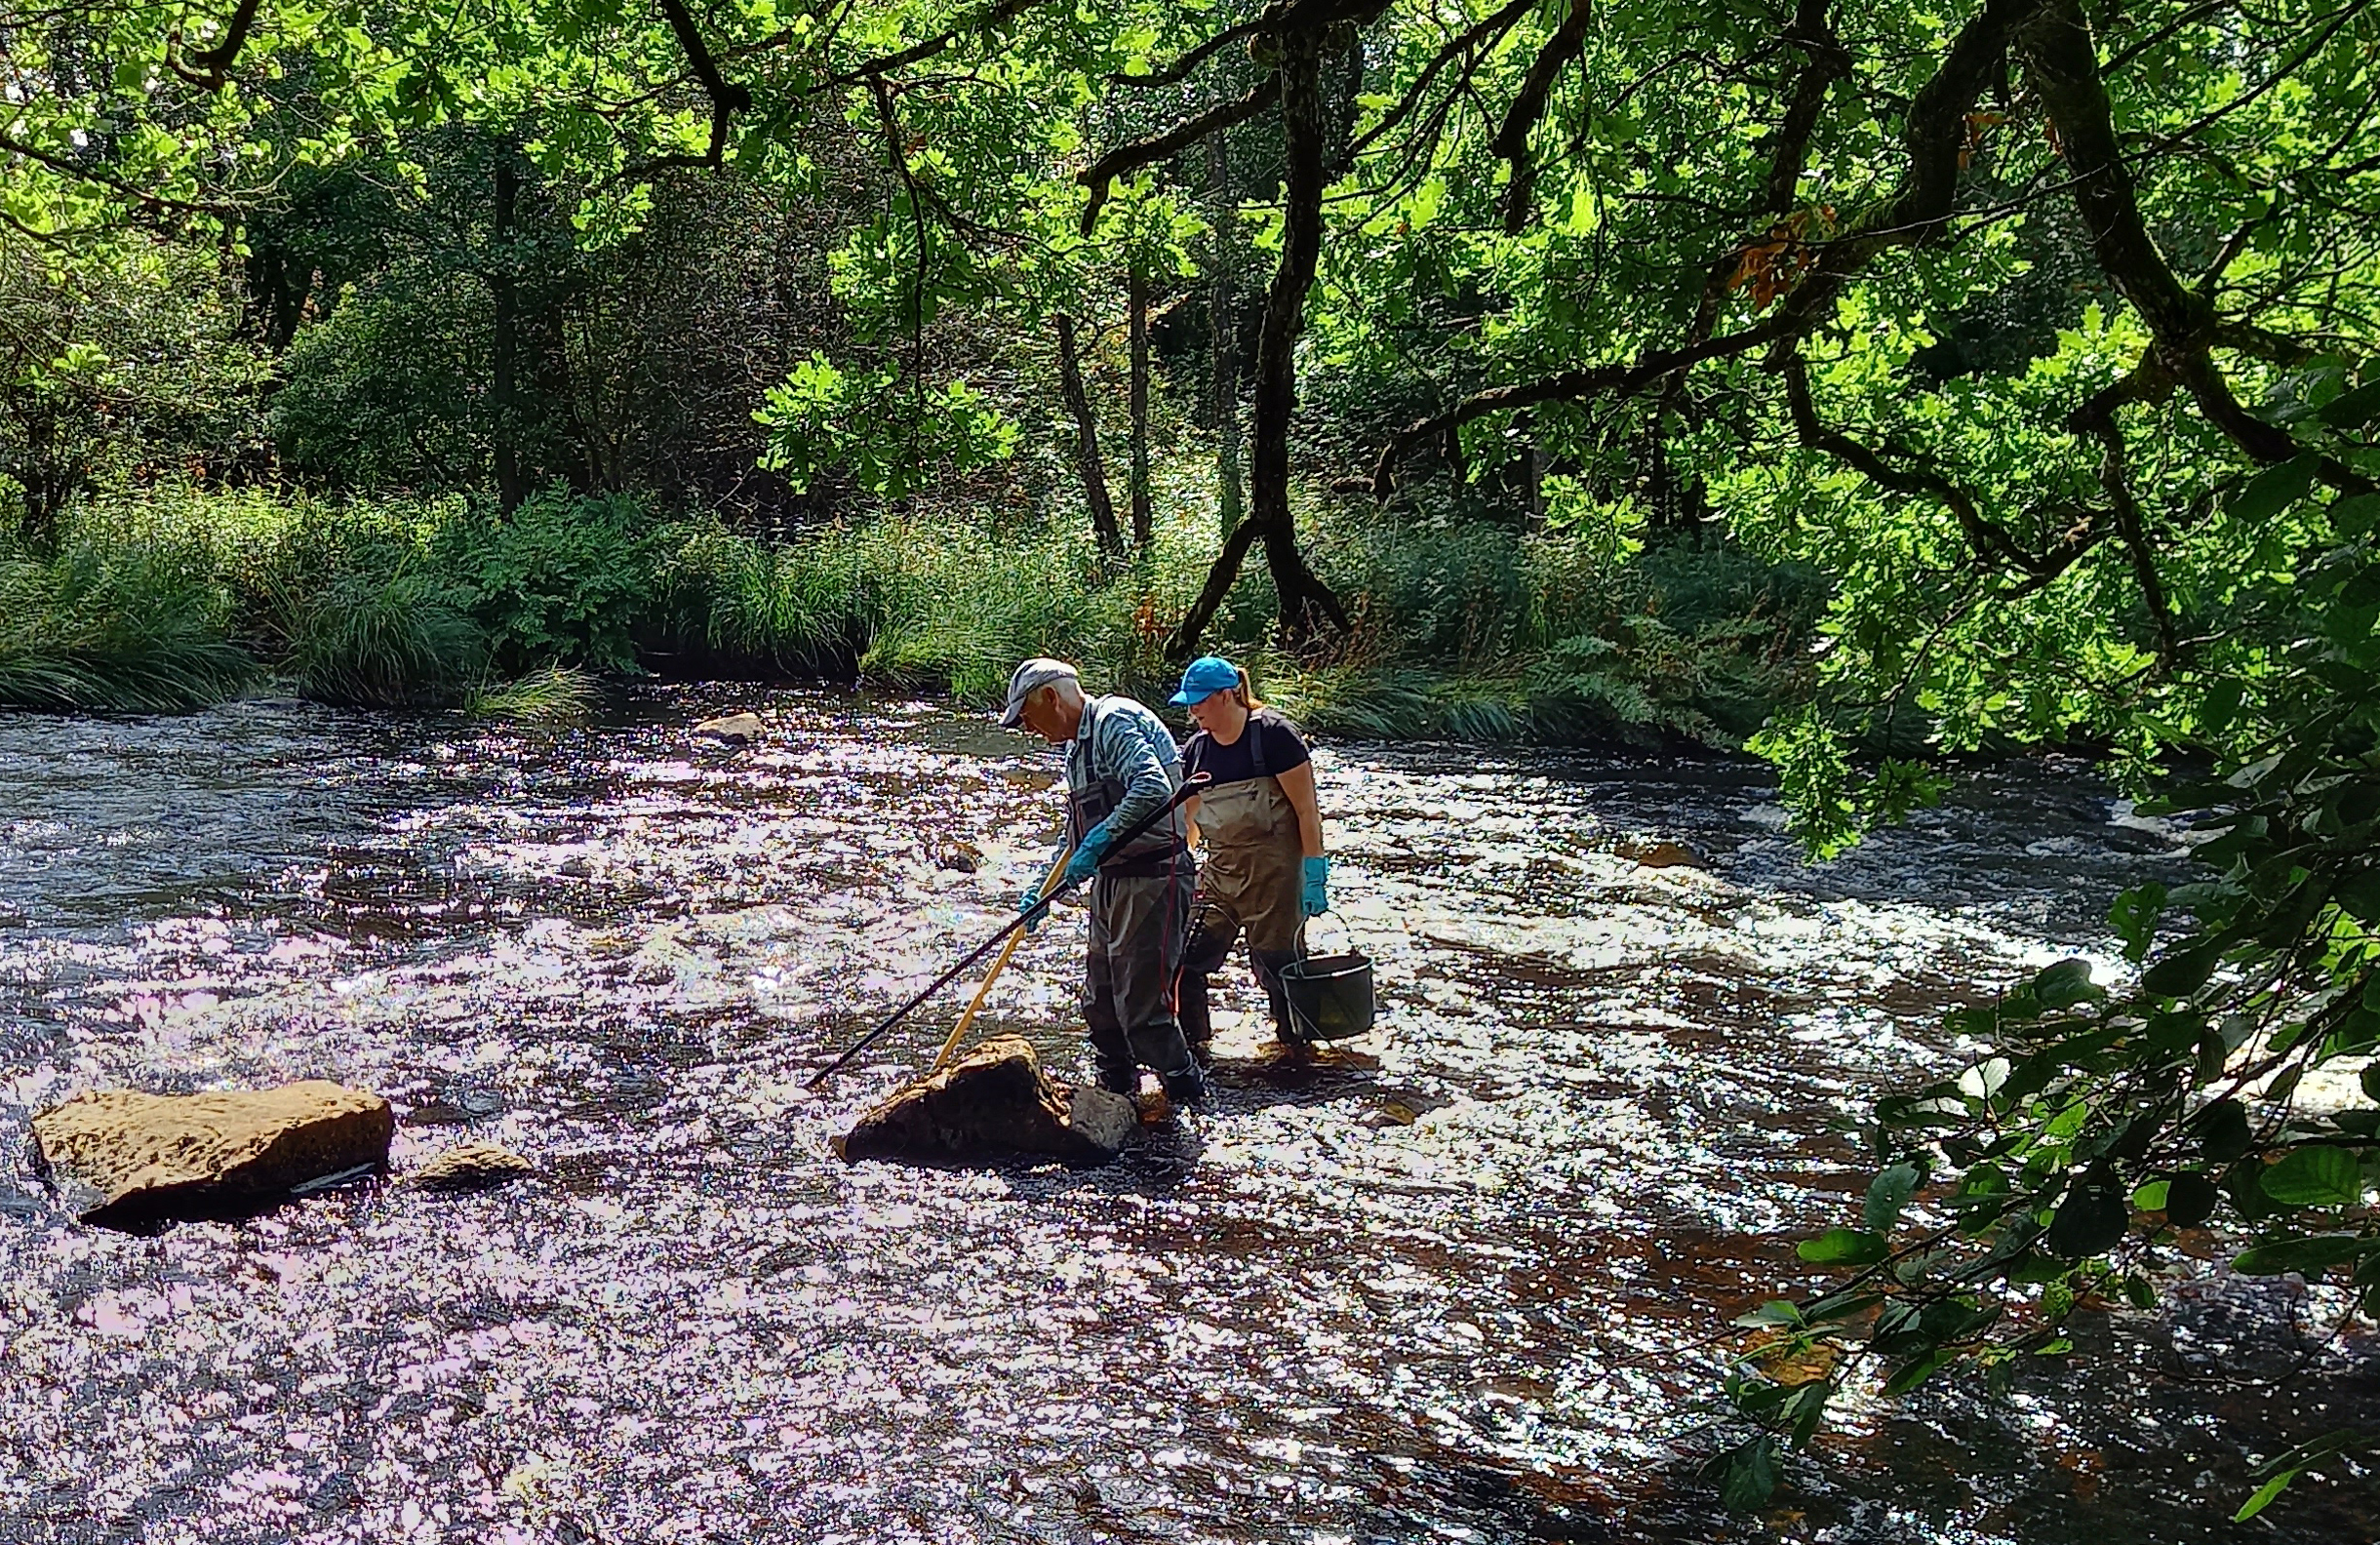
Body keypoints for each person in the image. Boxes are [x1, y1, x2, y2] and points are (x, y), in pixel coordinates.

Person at [999, 657, 1210, 1104]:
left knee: (1143, 1010)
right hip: (1112, 883)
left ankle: (1189, 1099)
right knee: (1100, 1003)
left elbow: (1152, 787)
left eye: (1028, 716)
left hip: (1154, 878)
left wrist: (1099, 840)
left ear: (1052, 698)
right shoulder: (1075, 752)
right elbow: (1075, 834)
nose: (1028, 728)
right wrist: (1043, 887)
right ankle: (1116, 1097)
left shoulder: (1113, 721)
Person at [1169, 655, 1329, 1060]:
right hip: (1220, 874)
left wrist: (1314, 872)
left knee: (1279, 969)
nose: (1193, 712)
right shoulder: (1197, 751)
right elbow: (1190, 820)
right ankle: (1195, 1052)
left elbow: (1307, 810)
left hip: (1276, 876)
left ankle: (1295, 1054)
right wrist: (1184, 867)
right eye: (1189, 704)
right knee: (1184, 961)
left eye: (1200, 702)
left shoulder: (1274, 736)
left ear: (1227, 696)